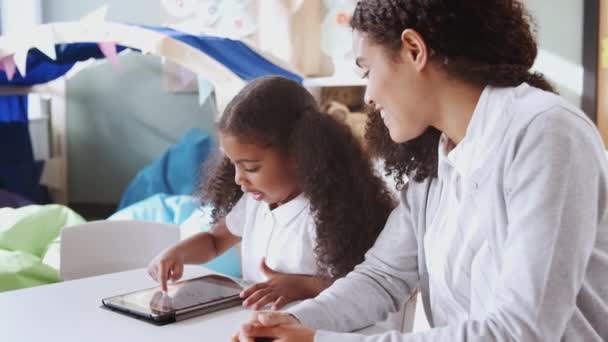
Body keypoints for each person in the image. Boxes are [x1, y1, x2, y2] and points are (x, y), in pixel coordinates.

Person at [234, 1, 608, 341]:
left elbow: (522, 330)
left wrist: (319, 340)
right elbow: (382, 278)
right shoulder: (435, 161)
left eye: (367, 70)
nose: (368, 96)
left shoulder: (546, 133)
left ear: (414, 50)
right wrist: (293, 323)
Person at [148, 75, 395, 311]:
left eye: (251, 168)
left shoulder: (328, 211)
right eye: (233, 164)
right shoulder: (254, 203)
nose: (238, 178)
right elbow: (214, 241)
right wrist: (177, 253)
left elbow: (363, 283)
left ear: (299, 155)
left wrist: (305, 285)